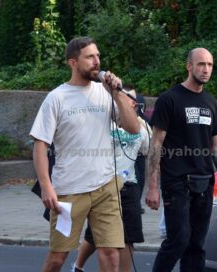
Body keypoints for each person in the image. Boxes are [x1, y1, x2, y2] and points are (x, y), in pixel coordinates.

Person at [30, 36, 140, 272]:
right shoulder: (56, 98)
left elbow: (133, 128)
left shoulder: (106, 92)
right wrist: (46, 186)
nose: (97, 61)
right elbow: (40, 145)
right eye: (90, 57)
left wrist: (117, 94)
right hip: (69, 191)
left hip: (106, 187)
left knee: (111, 254)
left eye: (98, 56)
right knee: (57, 258)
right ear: (73, 62)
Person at [145, 47, 217, 272]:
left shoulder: (211, 102)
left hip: (204, 182)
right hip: (177, 183)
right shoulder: (170, 99)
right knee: (178, 241)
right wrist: (152, 187)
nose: (206, 70)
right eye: (201, 64)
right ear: (189, 66)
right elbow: (156, 144)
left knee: (196, 246)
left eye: (209, 65)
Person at [71, 88, 150, 272]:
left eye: (125, 96)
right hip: (104, 187)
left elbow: (146, 151)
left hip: (129, 186)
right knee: (96, 237)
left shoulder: (142, 127)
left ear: (134, 104)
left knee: (130, 236)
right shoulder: (105, 121)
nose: (119, 98)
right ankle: (77, 266)